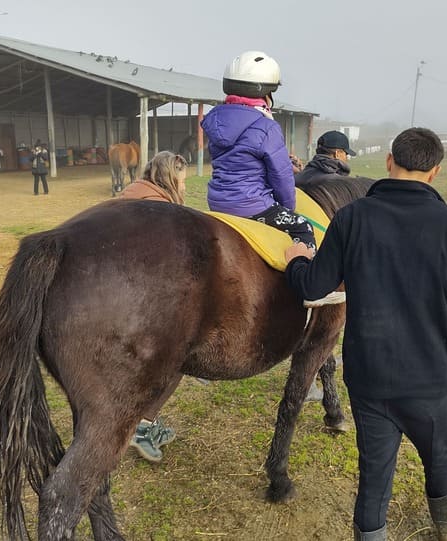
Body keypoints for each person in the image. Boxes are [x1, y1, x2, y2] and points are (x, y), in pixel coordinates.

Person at [283, 128, 447, 541]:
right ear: (435, 172)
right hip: (431, 377)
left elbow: (313, 286)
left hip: (370, 376)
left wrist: (297, 261)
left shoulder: (352, 219)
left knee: (374, 474)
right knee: (439, 457)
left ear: (390, 162)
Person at [202, 50, 316, 253]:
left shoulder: (215, 121)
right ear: (265, 93)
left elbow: (237, 159)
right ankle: (303, 282)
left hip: (217, 202)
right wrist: (288, 207)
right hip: (252, 206)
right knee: (303, 228)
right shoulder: (267, 127)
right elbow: (281, 177)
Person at [121, 150, 188, 462]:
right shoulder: (160, 208)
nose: (184, 189)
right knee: (178, 357)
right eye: (182, 182)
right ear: (169, 178)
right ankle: (143, 425)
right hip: (131, 298)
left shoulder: (133, 191)